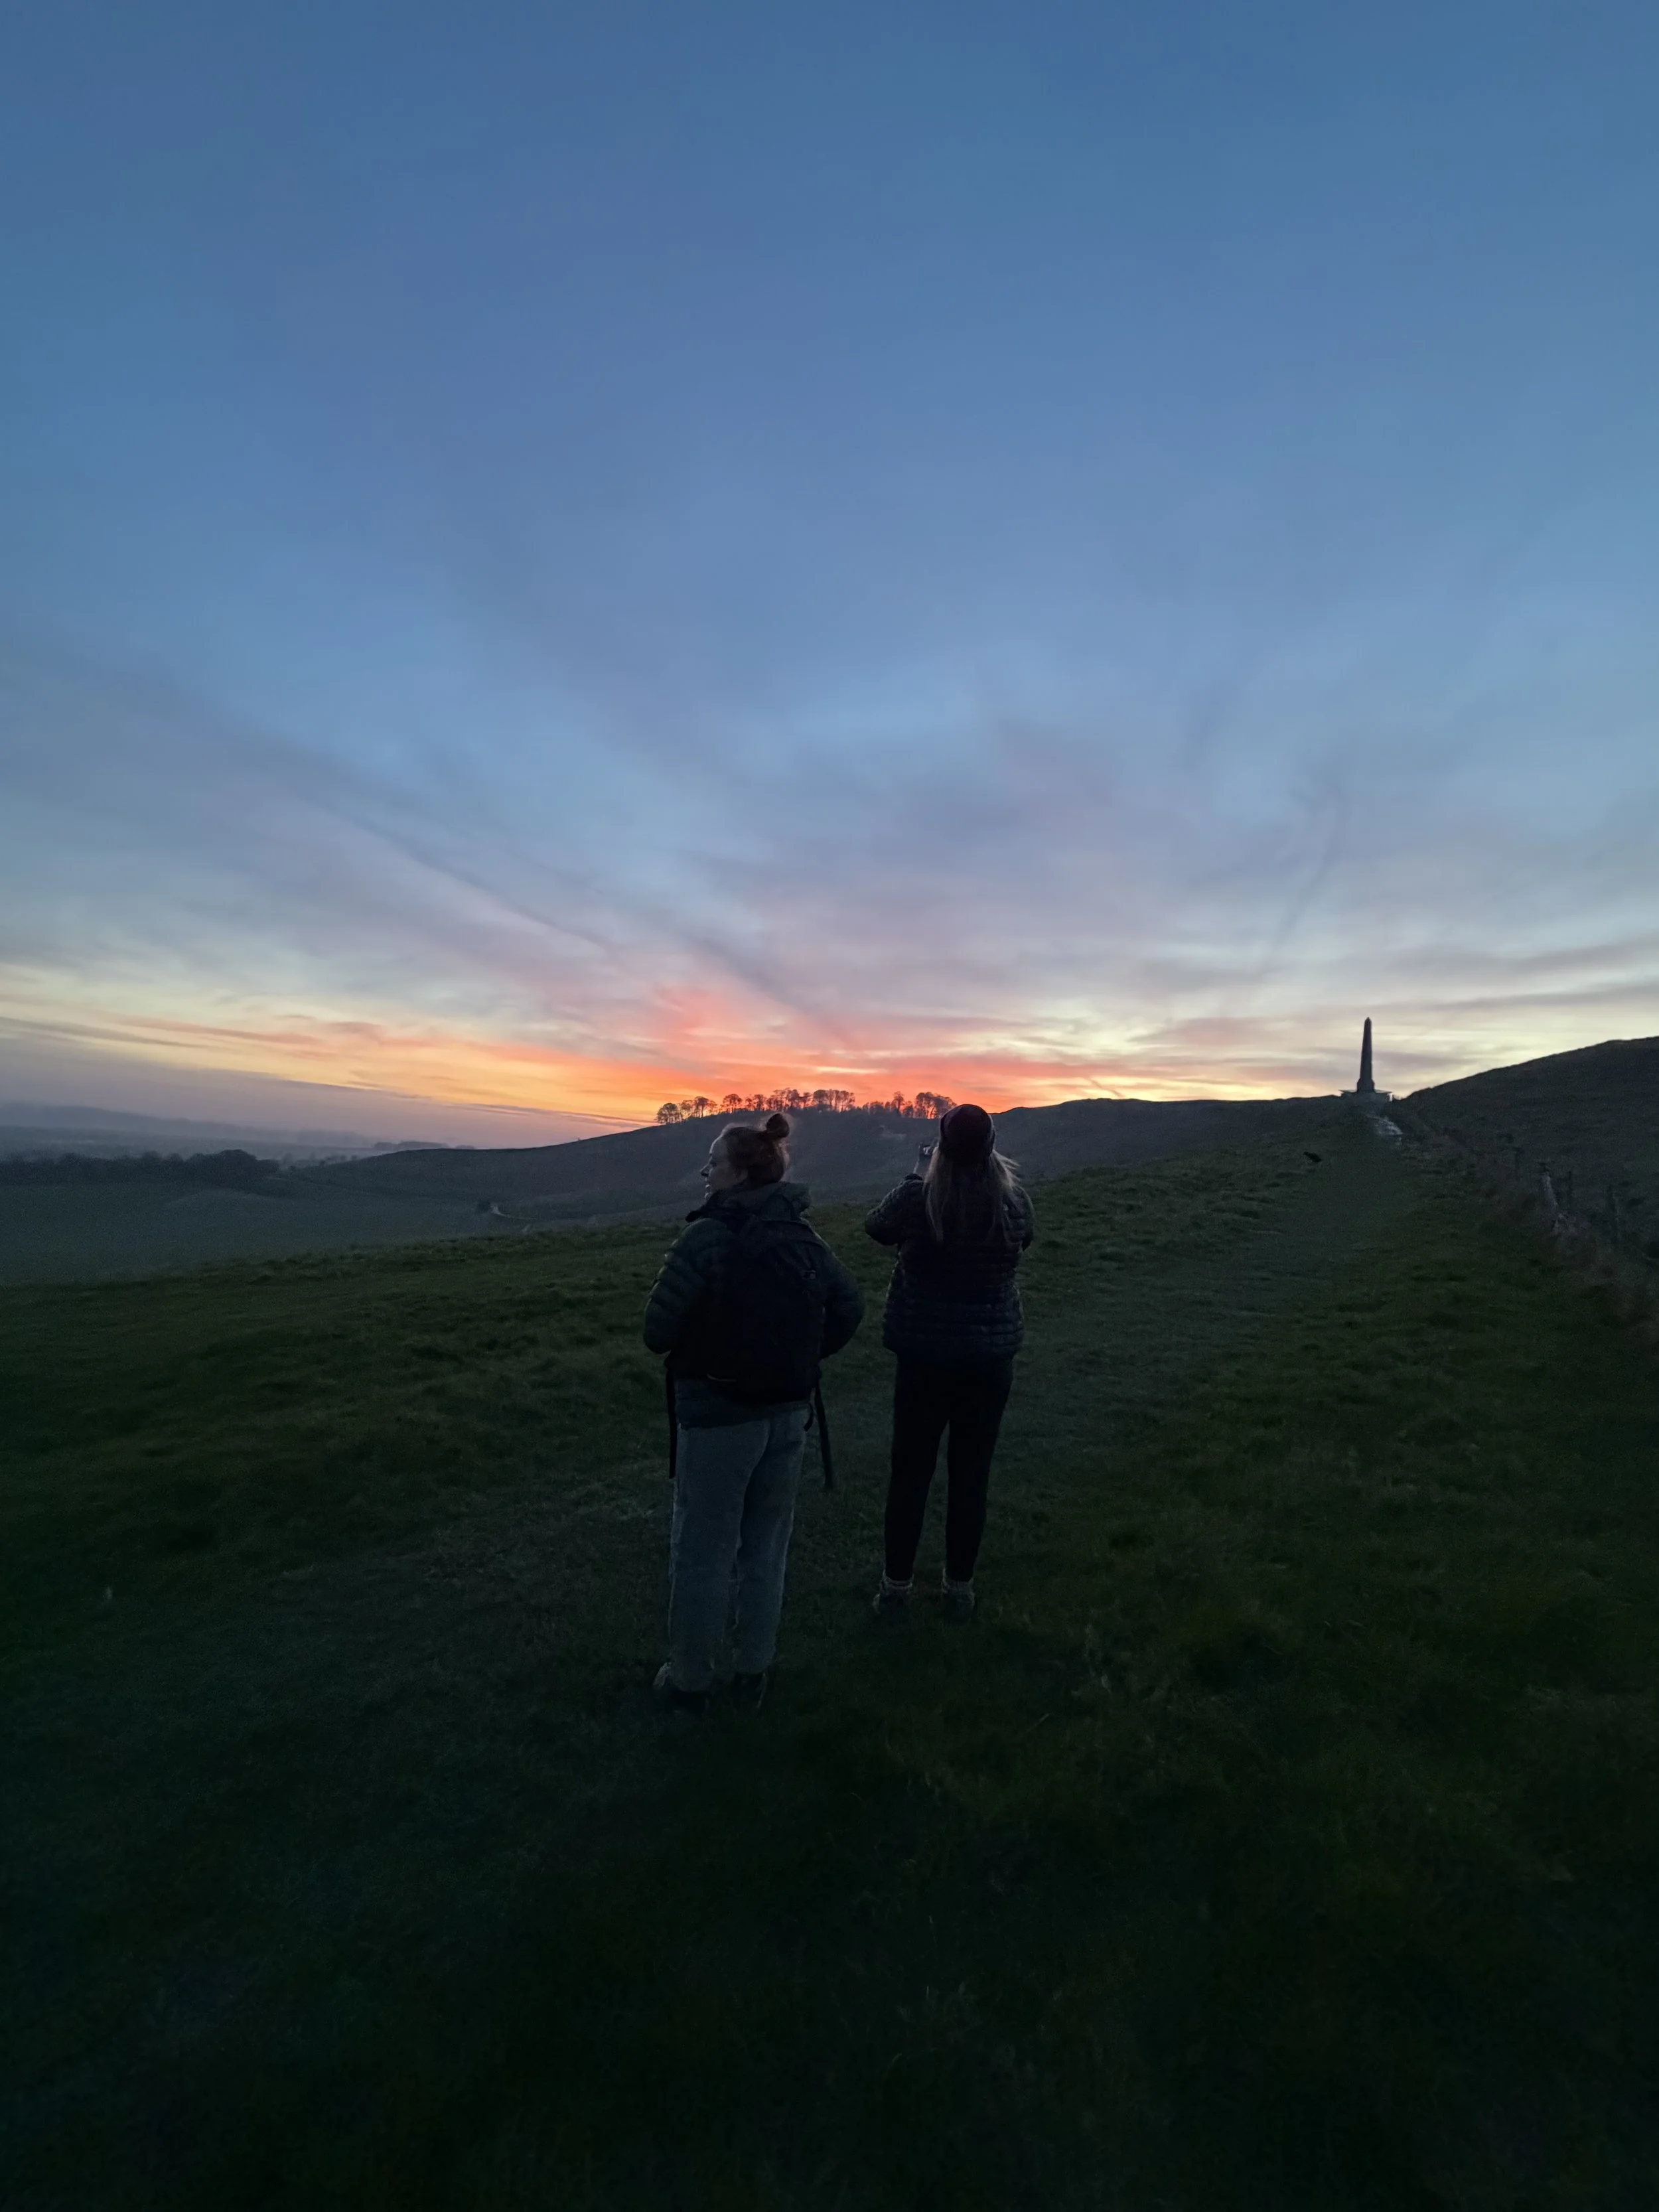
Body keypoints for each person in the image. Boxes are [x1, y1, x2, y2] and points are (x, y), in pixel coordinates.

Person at [642, 1112, 863, 1712]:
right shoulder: (804, 1237)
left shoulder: (706, 1237)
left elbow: (657, 1331)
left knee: (703, 1549)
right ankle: (754, 1669)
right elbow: (849, 1306)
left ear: (738, 1173)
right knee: (765, 1547)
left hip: (717, 1416)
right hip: (788, 1414)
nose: (706, 1171)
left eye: (714, 1162)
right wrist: (798, 1361)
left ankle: (690, 1675)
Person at [865, 1102, 1033, 1623]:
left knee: (910, 1471)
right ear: (991, 1145)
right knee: (971, 1473)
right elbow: (1026, 1239)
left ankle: (896, 1587)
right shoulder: (1013, 1200)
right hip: (989, 1359)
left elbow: (875, 1227)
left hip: (925, 1357)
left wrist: (916, 1174)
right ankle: (959, 1588)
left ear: (941, 1144)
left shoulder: (922, 1198)